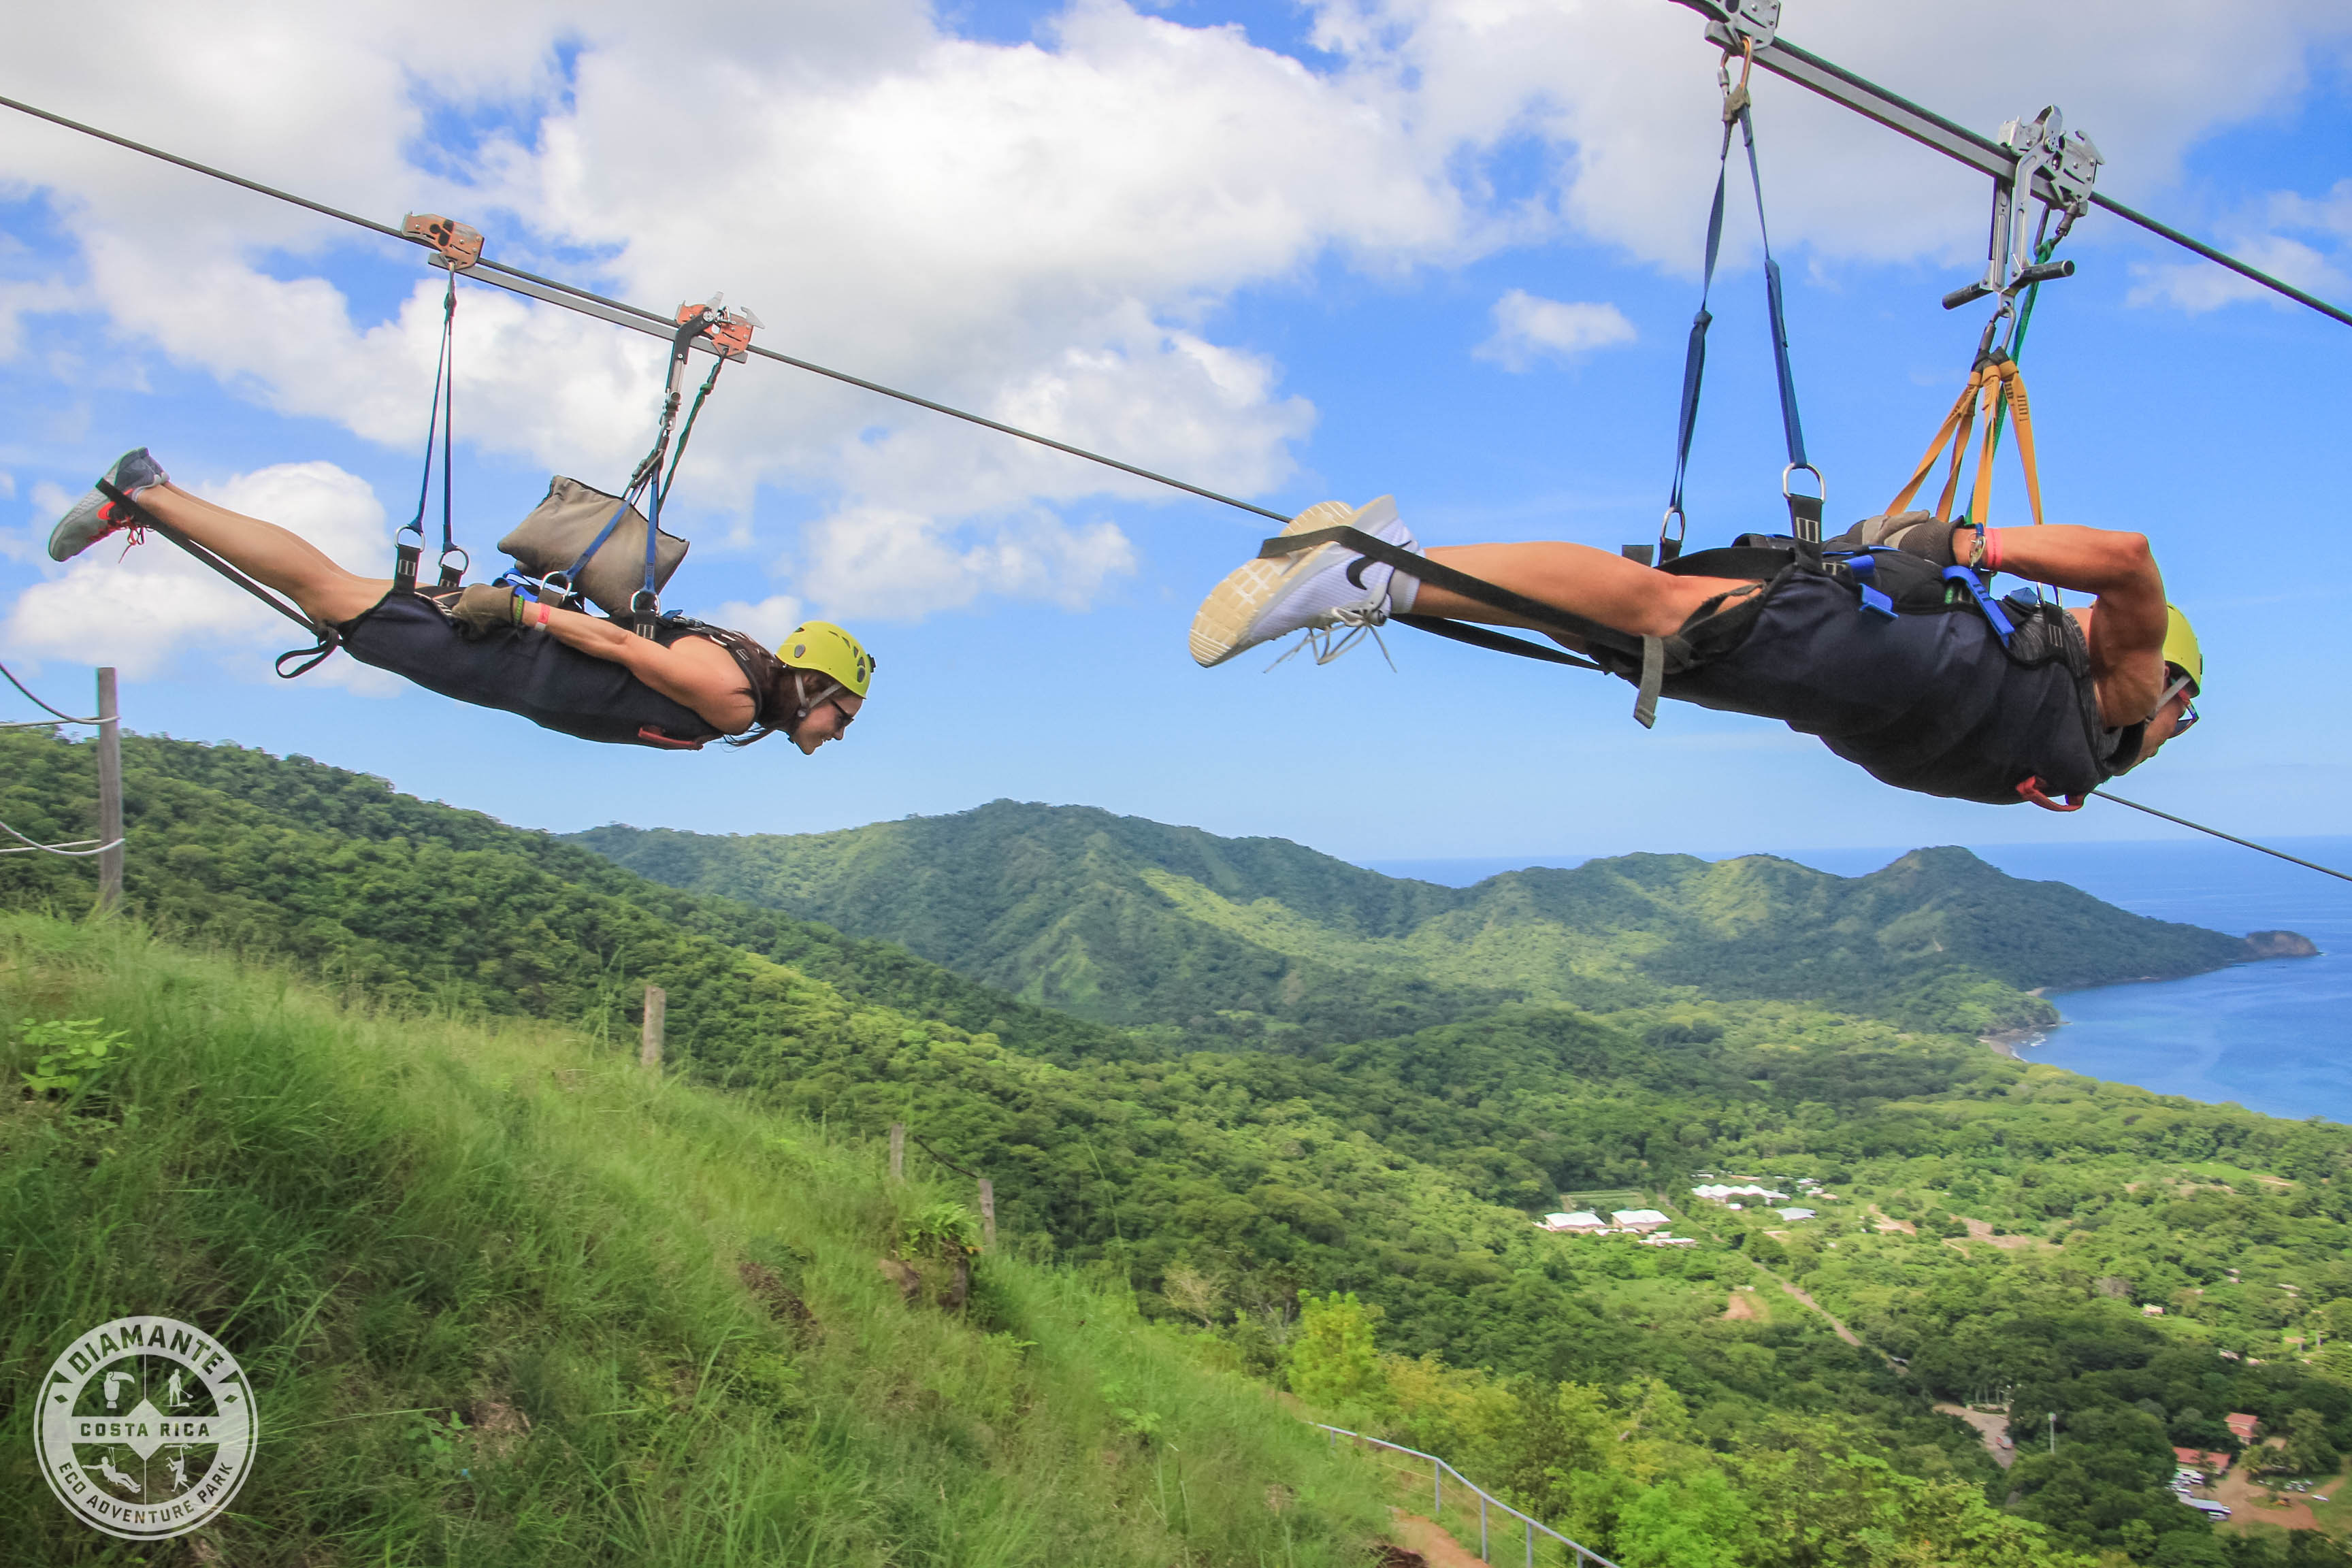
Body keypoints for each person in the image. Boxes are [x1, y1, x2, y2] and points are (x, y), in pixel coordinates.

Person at [1190, 497, 2202, 806]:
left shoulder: (2069, 754)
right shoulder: (2112, 699)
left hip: (1846, 677)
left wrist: (1921, 550)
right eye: (2181, 708)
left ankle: (1375, 574)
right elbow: (2128, 554)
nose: (2172, 724)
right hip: (1859, 669)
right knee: (1661, 611)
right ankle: (1370, 570)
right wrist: (1966, 549)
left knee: (1630, 631)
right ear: (2168, 677)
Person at [48, 449, 871, 753]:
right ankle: (148, 495)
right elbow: (623, 650)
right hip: (501, 649)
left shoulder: (730, 678)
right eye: (842, 718)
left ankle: (154, 495)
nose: (835, 736)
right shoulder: (731, 699)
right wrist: (516, 615)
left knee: (332, 592)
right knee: (328, 593)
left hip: (505, 652)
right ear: (813, 691)